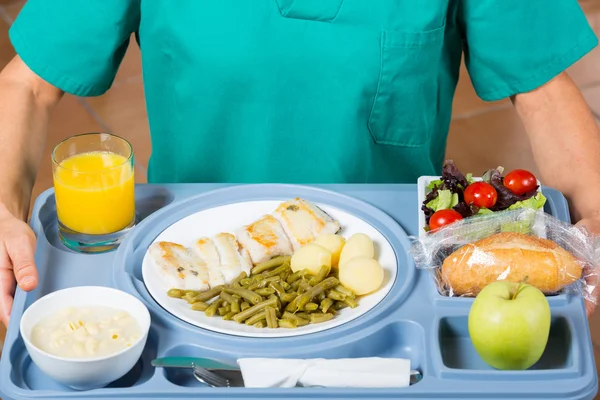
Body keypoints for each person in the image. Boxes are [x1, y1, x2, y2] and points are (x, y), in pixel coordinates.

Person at [0, 1, 599, 327]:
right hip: (187, 271)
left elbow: (543, 88)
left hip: (390, 281)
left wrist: (595, 214)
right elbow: (26, 89)